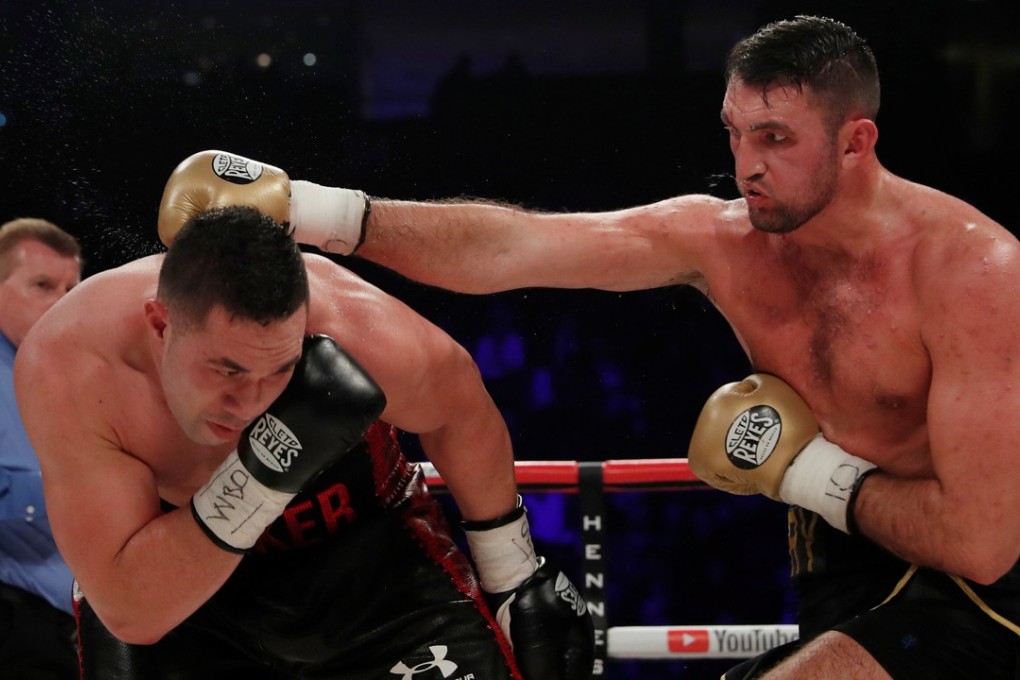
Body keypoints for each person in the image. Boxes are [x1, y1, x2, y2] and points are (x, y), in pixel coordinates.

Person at [155, 14, 1020, 680]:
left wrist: (808, 474)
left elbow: (985, 543)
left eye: (777, 139)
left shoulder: (972, 271)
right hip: (842, 548)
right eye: (735, 131)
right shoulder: (721, 241)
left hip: (986, 581)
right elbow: (514, 249)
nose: (745, 162)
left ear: (857, 141)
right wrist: (312, 210)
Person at [15, 205, 593, 679]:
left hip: (368, 563)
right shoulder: (72, 368)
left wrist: (512, 575)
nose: (254, 403)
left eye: (281, 371)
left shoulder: (356, 331)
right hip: (181, 597)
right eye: (228, 370)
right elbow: (134, 610)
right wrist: (267, 468)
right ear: (161, 324)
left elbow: (460, 408)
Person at [0, 217, 82, 678]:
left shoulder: (65, 373)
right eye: (42, 285)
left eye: (72, 288)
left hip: (73, 622)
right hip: (16, 619)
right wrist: (70, 494)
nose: (61, 302)